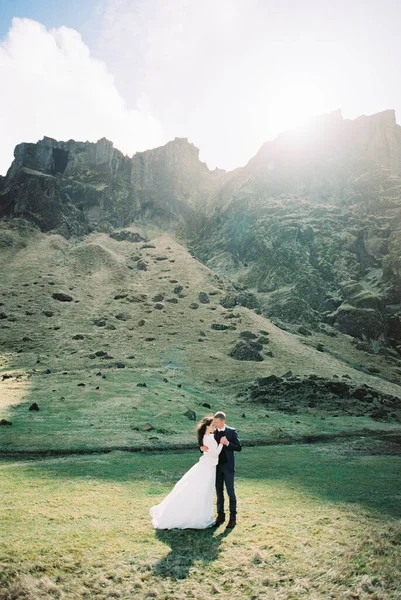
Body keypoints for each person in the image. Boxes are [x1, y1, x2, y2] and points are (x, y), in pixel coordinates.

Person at [149, 417, 223, 529]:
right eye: (212, 425)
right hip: (208, 467)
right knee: (204, 491)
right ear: (207, 426)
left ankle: (203, 516)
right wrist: (222, 443)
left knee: (204, 490)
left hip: (207, 465)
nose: (214, 426)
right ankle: (200, 518)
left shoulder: (208, 436)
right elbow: (215, 453)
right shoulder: (207, 438)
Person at [201, 411, 242, 529]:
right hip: (216, 467)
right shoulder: (213, 432)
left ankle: (233, 518)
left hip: (228, 467)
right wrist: (201, 448)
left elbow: (239, 447)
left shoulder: (231, 432)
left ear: (223, 421)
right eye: (214, 422)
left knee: (230, 492)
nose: (215, 424)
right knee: (219, 492)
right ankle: (220, 516)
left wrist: (228, 443)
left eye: (217, 422)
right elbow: (206, 443)